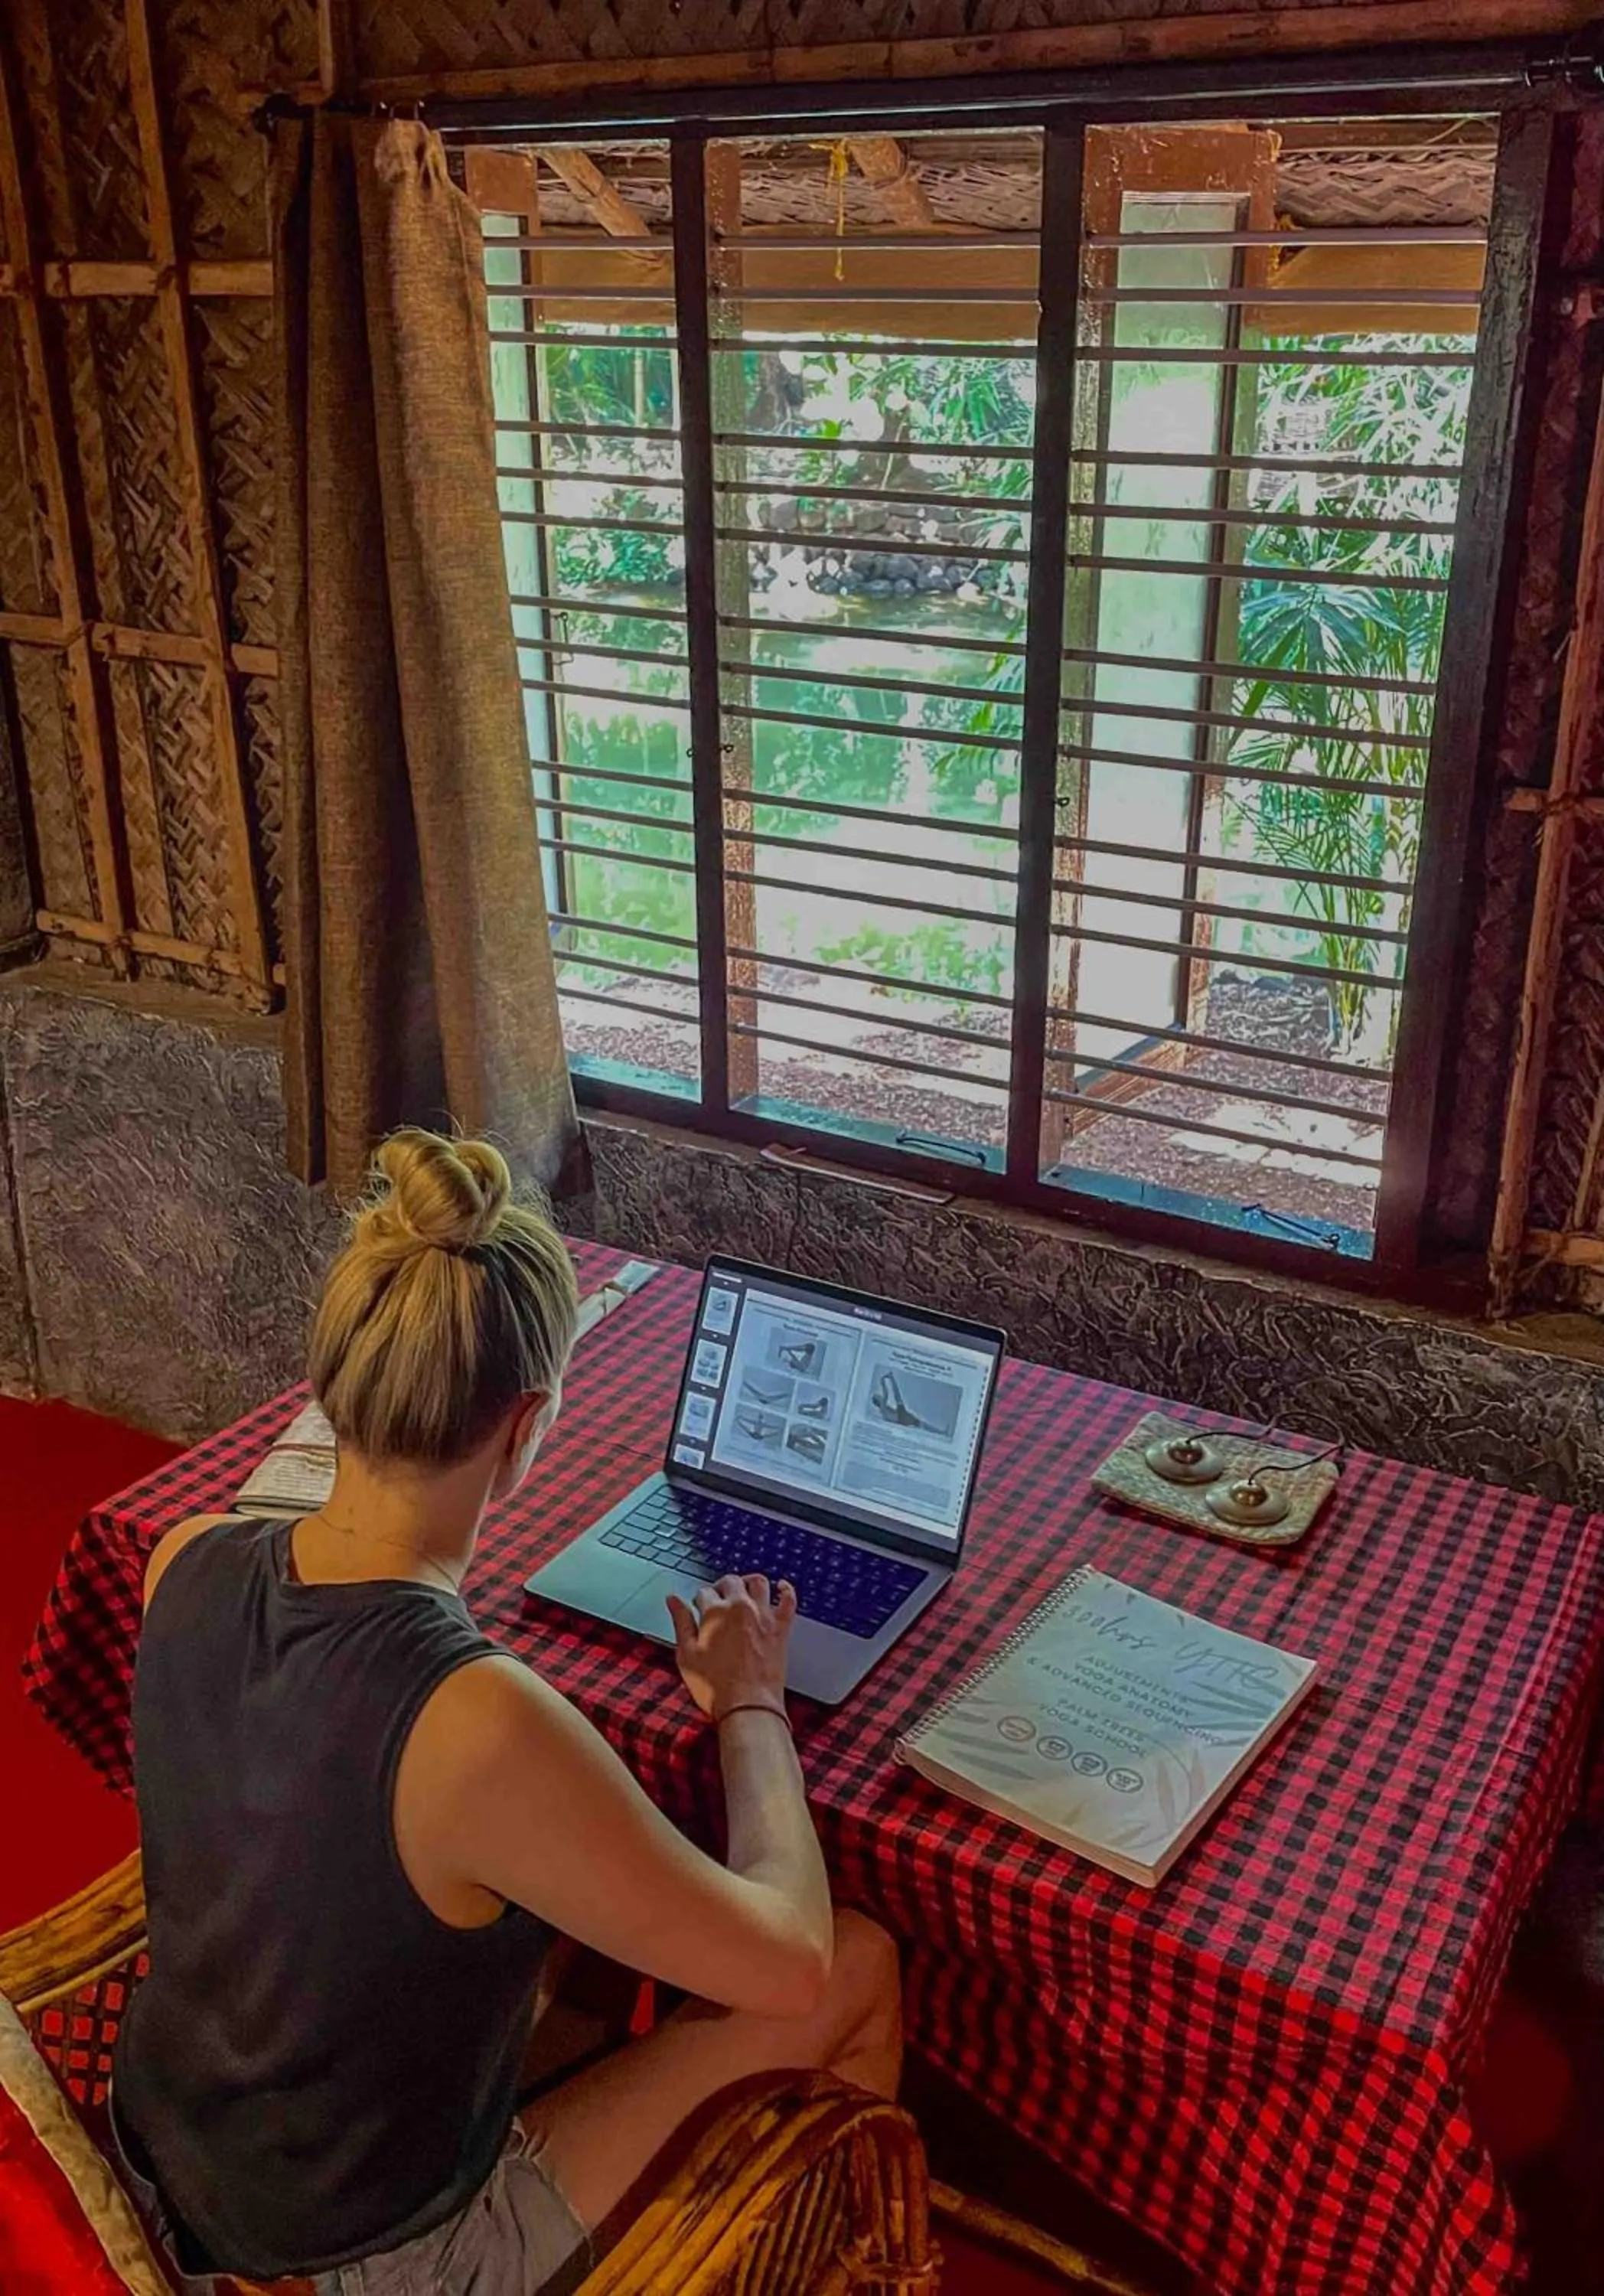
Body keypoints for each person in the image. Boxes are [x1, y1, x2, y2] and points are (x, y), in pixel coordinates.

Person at [110, 1128, 902, 2296]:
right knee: (861, 1965)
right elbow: (787, 1962)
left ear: (335, 1388)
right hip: (369, 2263)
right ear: (527, 1428)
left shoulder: (185, 1556)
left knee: (577, 1911)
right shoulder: (477, 1723)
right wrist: (749, 1704)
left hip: (175, 2164)